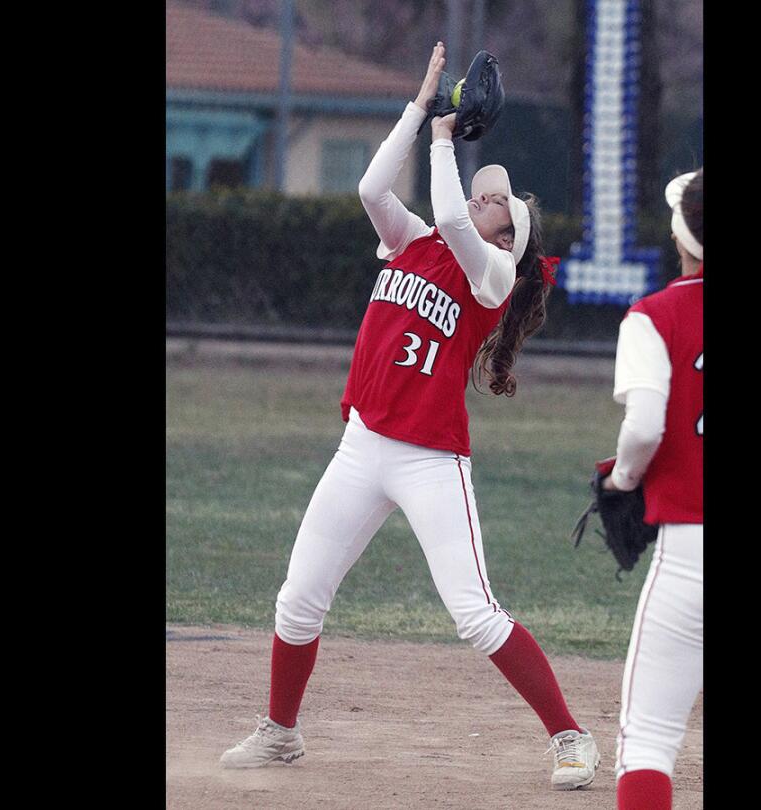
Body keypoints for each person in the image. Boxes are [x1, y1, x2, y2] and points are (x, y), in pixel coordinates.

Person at [220, 42, 601, 791]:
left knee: (474, 613)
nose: (490, 197)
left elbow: (457, 222)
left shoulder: (489, 275)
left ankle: (571, 735)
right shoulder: (414, 241)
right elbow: (369, 186)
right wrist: (419, 107)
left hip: (429, 458)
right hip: (363, 444)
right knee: (298, 599)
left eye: (502, 203)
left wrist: (440, 143)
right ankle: (281, 732)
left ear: (509, 242)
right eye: (488, 192)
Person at [605, 169, 704, 810]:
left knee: (648, 742)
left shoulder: (654, 316)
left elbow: (643, 426)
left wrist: (623, 477)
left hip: (692, 553)